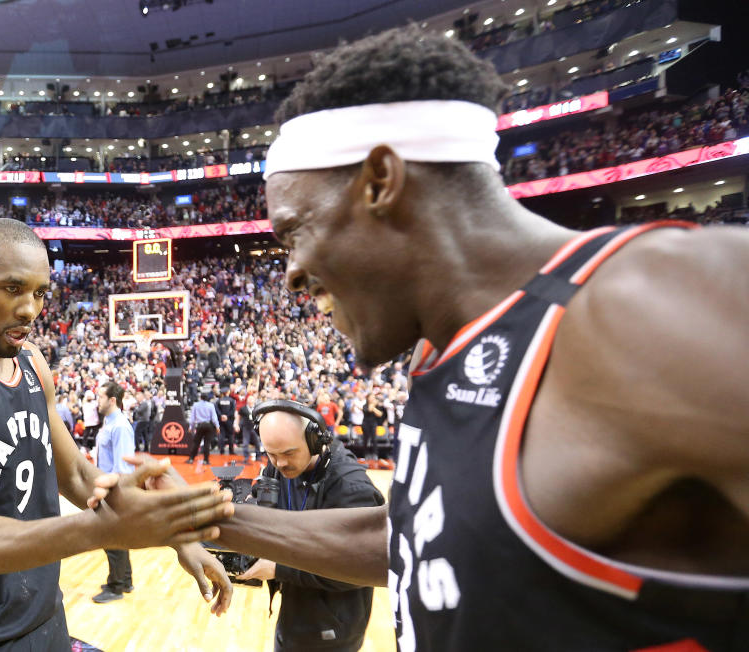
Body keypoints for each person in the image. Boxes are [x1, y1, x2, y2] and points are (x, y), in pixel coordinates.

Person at [124, 26, 749, 652]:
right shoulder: (439, 348)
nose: (289, 271)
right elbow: (406, 539)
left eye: (294, 231)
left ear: (380, 183)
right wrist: (204, 516)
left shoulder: (660, 303)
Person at [0, 218, 234, 650]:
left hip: (43, 619)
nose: (30, 309)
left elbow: (79, 478)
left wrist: (178, 533)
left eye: (40, 293)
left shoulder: (32, 363)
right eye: (13, 288)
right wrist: (101, 530)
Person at [236, 400, 384, 651]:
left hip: (333, 630)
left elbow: (357, 569)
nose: (279, 463)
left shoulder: (350, 488)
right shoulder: (280, 467)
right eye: (271, 454)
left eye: (288, 453)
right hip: (294, 616)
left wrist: (278, 568)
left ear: (316, 441)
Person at [92, 381, 135, 603]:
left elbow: (123, 467)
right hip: (107, 487)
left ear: (112, 400)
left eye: (100, 397)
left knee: (112, 540)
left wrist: (112, 494)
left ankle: (115, 587)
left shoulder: (120, 426)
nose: (96, 401)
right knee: (119, 537)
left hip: (114, 490)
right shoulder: (109, 423)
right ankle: (125, 580)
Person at [186, 389, 219, 465]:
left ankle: (191, 459)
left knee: (196, 442)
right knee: (207, 443)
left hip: (200, 425)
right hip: (208, 426)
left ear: (200, 397)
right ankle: (206, 460)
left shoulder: (195, 405)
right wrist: (217, 427)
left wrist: (191, 427)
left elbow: (193, 418)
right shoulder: (211, 405)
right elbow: (214, 418)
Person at [237, 394, 260, 462]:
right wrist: (237, 424)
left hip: (254, 428)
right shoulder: (243, 408)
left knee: (257, 442)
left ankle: (258, 456)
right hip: (246, 427)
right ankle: (246, 457)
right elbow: (238, 416)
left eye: (251, 399)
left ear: (254, 400)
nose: (250, 400)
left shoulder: (256, 408)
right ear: (247, 401)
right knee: (245, 443)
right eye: (249, 399)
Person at [215, 385, 237, 455]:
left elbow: (216, 410)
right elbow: (233, 410)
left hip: (221, 420)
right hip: (229, 420)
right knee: (230, 435)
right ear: (228, 392)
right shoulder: (232, 400)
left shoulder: (218, 400)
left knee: (221, 435)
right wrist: (227, 416)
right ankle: (231, 451)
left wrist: (221, 415)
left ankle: (222, 450)